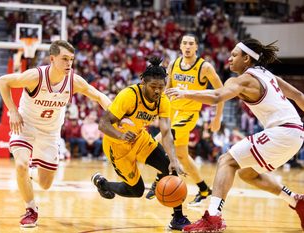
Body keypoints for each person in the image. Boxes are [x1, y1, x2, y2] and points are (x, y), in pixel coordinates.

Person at [165, 38, 304, 232]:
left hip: (282, 131)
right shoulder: (267, 74)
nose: (229, 58)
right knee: (247, 173)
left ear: (247, 58)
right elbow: (299, 96)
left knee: (226, 161)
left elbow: (216, 96)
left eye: (234, 55)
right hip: (294, 133)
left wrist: (185, 93)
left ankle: (213, 217)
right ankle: (296, 201)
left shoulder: (244, 79)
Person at [0, 40, 111, 228]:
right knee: (20, 164)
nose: (69, 64)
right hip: (25, 126)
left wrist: (116, 114)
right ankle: (31, 209)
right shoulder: (35, 76)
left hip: (50, 133)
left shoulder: (73, 80)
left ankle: (32, 172)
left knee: (45, 184)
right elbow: (3, 81)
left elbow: (98, 95)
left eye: (71, 60)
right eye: (64, 59)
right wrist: (13, 111)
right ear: (52, 58)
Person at [91, 57, 190, 231]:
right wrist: (120, 136)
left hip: (140, 139)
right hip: (117, 145)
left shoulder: (162, 101)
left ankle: (178, 218)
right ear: (143, 82)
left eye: (161, 87)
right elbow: (103, 124)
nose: (157, 91)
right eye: (153, 87)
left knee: (169, 167)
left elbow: (166, 132)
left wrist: (174, 159)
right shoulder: (128, 96)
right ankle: (103, 184)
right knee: (135, 191)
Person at [146, 34, 224, 206]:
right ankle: (204, 190)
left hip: (188, 114)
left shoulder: (205, 67)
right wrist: (155, 109)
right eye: (184, 43)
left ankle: (158, 179)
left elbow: (221, 91)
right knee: (182, 155)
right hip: (172, 112)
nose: (187, 46)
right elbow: (167, 90)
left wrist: (217, 117)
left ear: (196, 47)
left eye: (191, 43)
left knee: (158, 140)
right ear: (180, 46)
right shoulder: (174, 64)